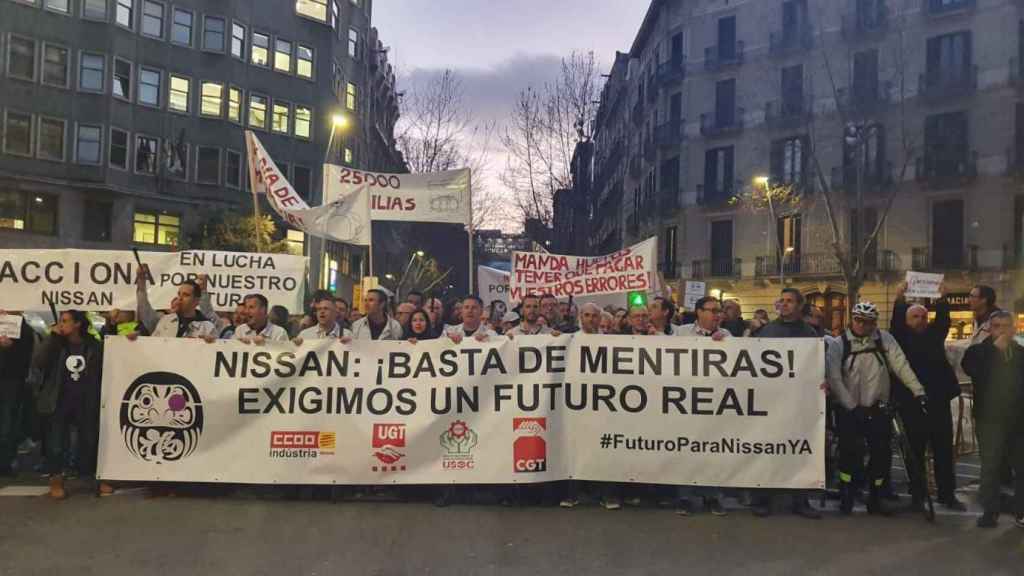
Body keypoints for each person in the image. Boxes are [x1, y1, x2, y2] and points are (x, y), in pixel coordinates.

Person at [827, 300, 928, 516]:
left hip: (878, 407)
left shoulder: (884, 339)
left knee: (881, 454)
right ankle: (847, 492)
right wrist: (852, 407)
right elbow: (834, 379)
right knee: (848, 454)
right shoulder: (838, 344)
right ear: (852, 319)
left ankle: (876, 495)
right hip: (849, 408)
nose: (863, 326)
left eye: (869, 322)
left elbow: (901, 365)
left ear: (875, 323)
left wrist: (918, 390)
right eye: (859, 321)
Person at [889, 282, 966, 512]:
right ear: (906, 320)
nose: (920, 321)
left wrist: (942, 299)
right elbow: (895, 321)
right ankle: (918, 494)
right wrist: (899, 298)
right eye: (915, 317)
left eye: (923, 317)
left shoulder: (934, 335)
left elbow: (943, 321)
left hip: (938, 401)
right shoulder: (900, 338)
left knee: (943, 449)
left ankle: (947, 494)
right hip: (911, 402)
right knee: (915, 451)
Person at [752, 288, 821, 519]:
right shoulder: (766, 331)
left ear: (800, 305)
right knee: (765, 450)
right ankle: (761, 499)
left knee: (799, 450)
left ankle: (800, 500)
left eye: (790, 301)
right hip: (769, 401)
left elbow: (815, 367)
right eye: (782, 300)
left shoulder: (810, 333)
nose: (785, 304)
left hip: (797, 403)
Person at [32, 310, 110, 499]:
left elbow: (106, 365)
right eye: (60, 321)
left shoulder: (93, 345)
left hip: (86, 400)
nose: (61, 324)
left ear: (77, 324)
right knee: (56, 443)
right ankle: (56, 480)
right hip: (59, 400)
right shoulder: (56, 343)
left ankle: (94, 478)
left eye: (65, 321)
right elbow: (38, 361)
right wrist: (52, 338)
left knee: (90, 441)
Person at [962, 311, 1024, 528]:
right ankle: (990, 511)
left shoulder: (1020, 352)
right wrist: (994, 352)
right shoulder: (977, 352)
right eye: (997, 326)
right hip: (990, 421)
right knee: (991, 466)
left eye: (1006, 326)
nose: (1002, 330)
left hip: (1018, 420)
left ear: (1014, 329)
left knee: (1021, 466)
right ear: (989, 329)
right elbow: (973, 371)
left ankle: (1021, 510)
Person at [672, 296, 729, 516]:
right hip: (684, 401)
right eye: (712, 310)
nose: (717, 314)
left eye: (719, 310)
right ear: (698, 312)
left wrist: (725, 344)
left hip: (714, 403)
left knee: (712, 451)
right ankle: (684, 497)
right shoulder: (681, 332)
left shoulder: (727, 335)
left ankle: (712, 496)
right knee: (685, 449)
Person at [134, 265, 217, 339]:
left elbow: (215, 350)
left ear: (196, 301)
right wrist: (141, 282)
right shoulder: (163, 319)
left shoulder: (207, 327)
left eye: (186, 295)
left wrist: (206, 344)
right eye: (179, 294)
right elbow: (144, 309)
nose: (180, 298)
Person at [0, 310, 34, 476]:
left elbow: (27, 356)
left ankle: (4, 462)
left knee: (8, 422)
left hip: (11, 380)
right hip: (11, 380)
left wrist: (11, 347)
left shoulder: (23, 328)